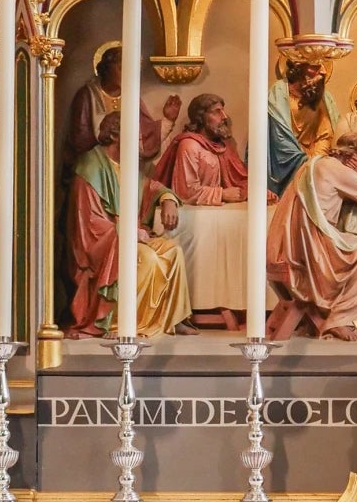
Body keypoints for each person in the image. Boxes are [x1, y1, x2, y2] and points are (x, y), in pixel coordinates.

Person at [66, 112, 192, 337]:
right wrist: (127, 233)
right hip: (105, 246)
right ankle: (123, 322)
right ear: (115, 135)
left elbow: (149, 187)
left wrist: (168, 198)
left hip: (130, 236)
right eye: (135, 135)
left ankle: (170, 317)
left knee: (174, 251)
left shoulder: (126, 165)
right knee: (149, 259)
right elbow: (88, 223)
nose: (140, 141)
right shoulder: (90, 166)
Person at [266, 133, 357, 340]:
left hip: (292, 249)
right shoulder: (336, 170)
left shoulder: (314, 164)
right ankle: (340, 318)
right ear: (354, 156)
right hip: (315, 253)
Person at [67, 43, 181, 166]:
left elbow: (145, 138)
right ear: (107, 69)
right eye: (122, 68)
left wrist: (168, 120)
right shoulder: (88, 95)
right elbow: (80, 140)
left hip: (127, 166)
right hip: (97, 166)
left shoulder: (130, 96)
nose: (127, 74)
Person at [156, 92, 247, 205]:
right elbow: (185, 192)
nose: (224, 116)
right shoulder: (189, 145)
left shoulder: (224, 147)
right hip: (195, 215)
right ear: (201, 117)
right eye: (217, 111)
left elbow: (241, 179)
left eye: (223, 111)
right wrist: (221, 194)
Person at [267, 55, 338, 195]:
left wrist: (315, 160)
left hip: (316, 158)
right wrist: (303, 162)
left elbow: (325, 135)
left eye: (323, 66)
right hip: (286, 161)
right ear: (299, 69)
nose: (323, 71)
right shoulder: (279, 94)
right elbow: (279, 138)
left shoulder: (323, 97)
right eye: (316, 67)